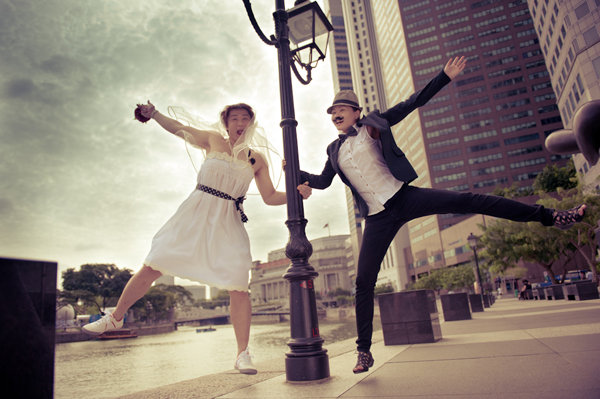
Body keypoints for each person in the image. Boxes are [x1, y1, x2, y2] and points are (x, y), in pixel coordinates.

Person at [299, 56, 587, 373]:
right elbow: (323, 181)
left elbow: (413, 102)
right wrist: (296, 173)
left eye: (340, 109)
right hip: (377, 218)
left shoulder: (374, 125)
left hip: (403, 197)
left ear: (356, 111)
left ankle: (553, 217)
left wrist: (444, 77)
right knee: (363, 282)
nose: (334, 115)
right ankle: (364, 352)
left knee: (473, 200)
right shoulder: (333, 150)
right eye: (331, 112)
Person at [82, 101, 312, 375]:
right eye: (235, 118)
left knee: (239, 285)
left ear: (251, 124)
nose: (240, 123)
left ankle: (242, 354)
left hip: (229, 220)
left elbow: (270, 197)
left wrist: (296, 194)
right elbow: (179, 128)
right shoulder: (212, 140)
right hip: (195, 213)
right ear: (226, 123)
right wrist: (154, 114)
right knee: (154, 264)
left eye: (245, 119)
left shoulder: (256, 159)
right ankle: (114, 318)